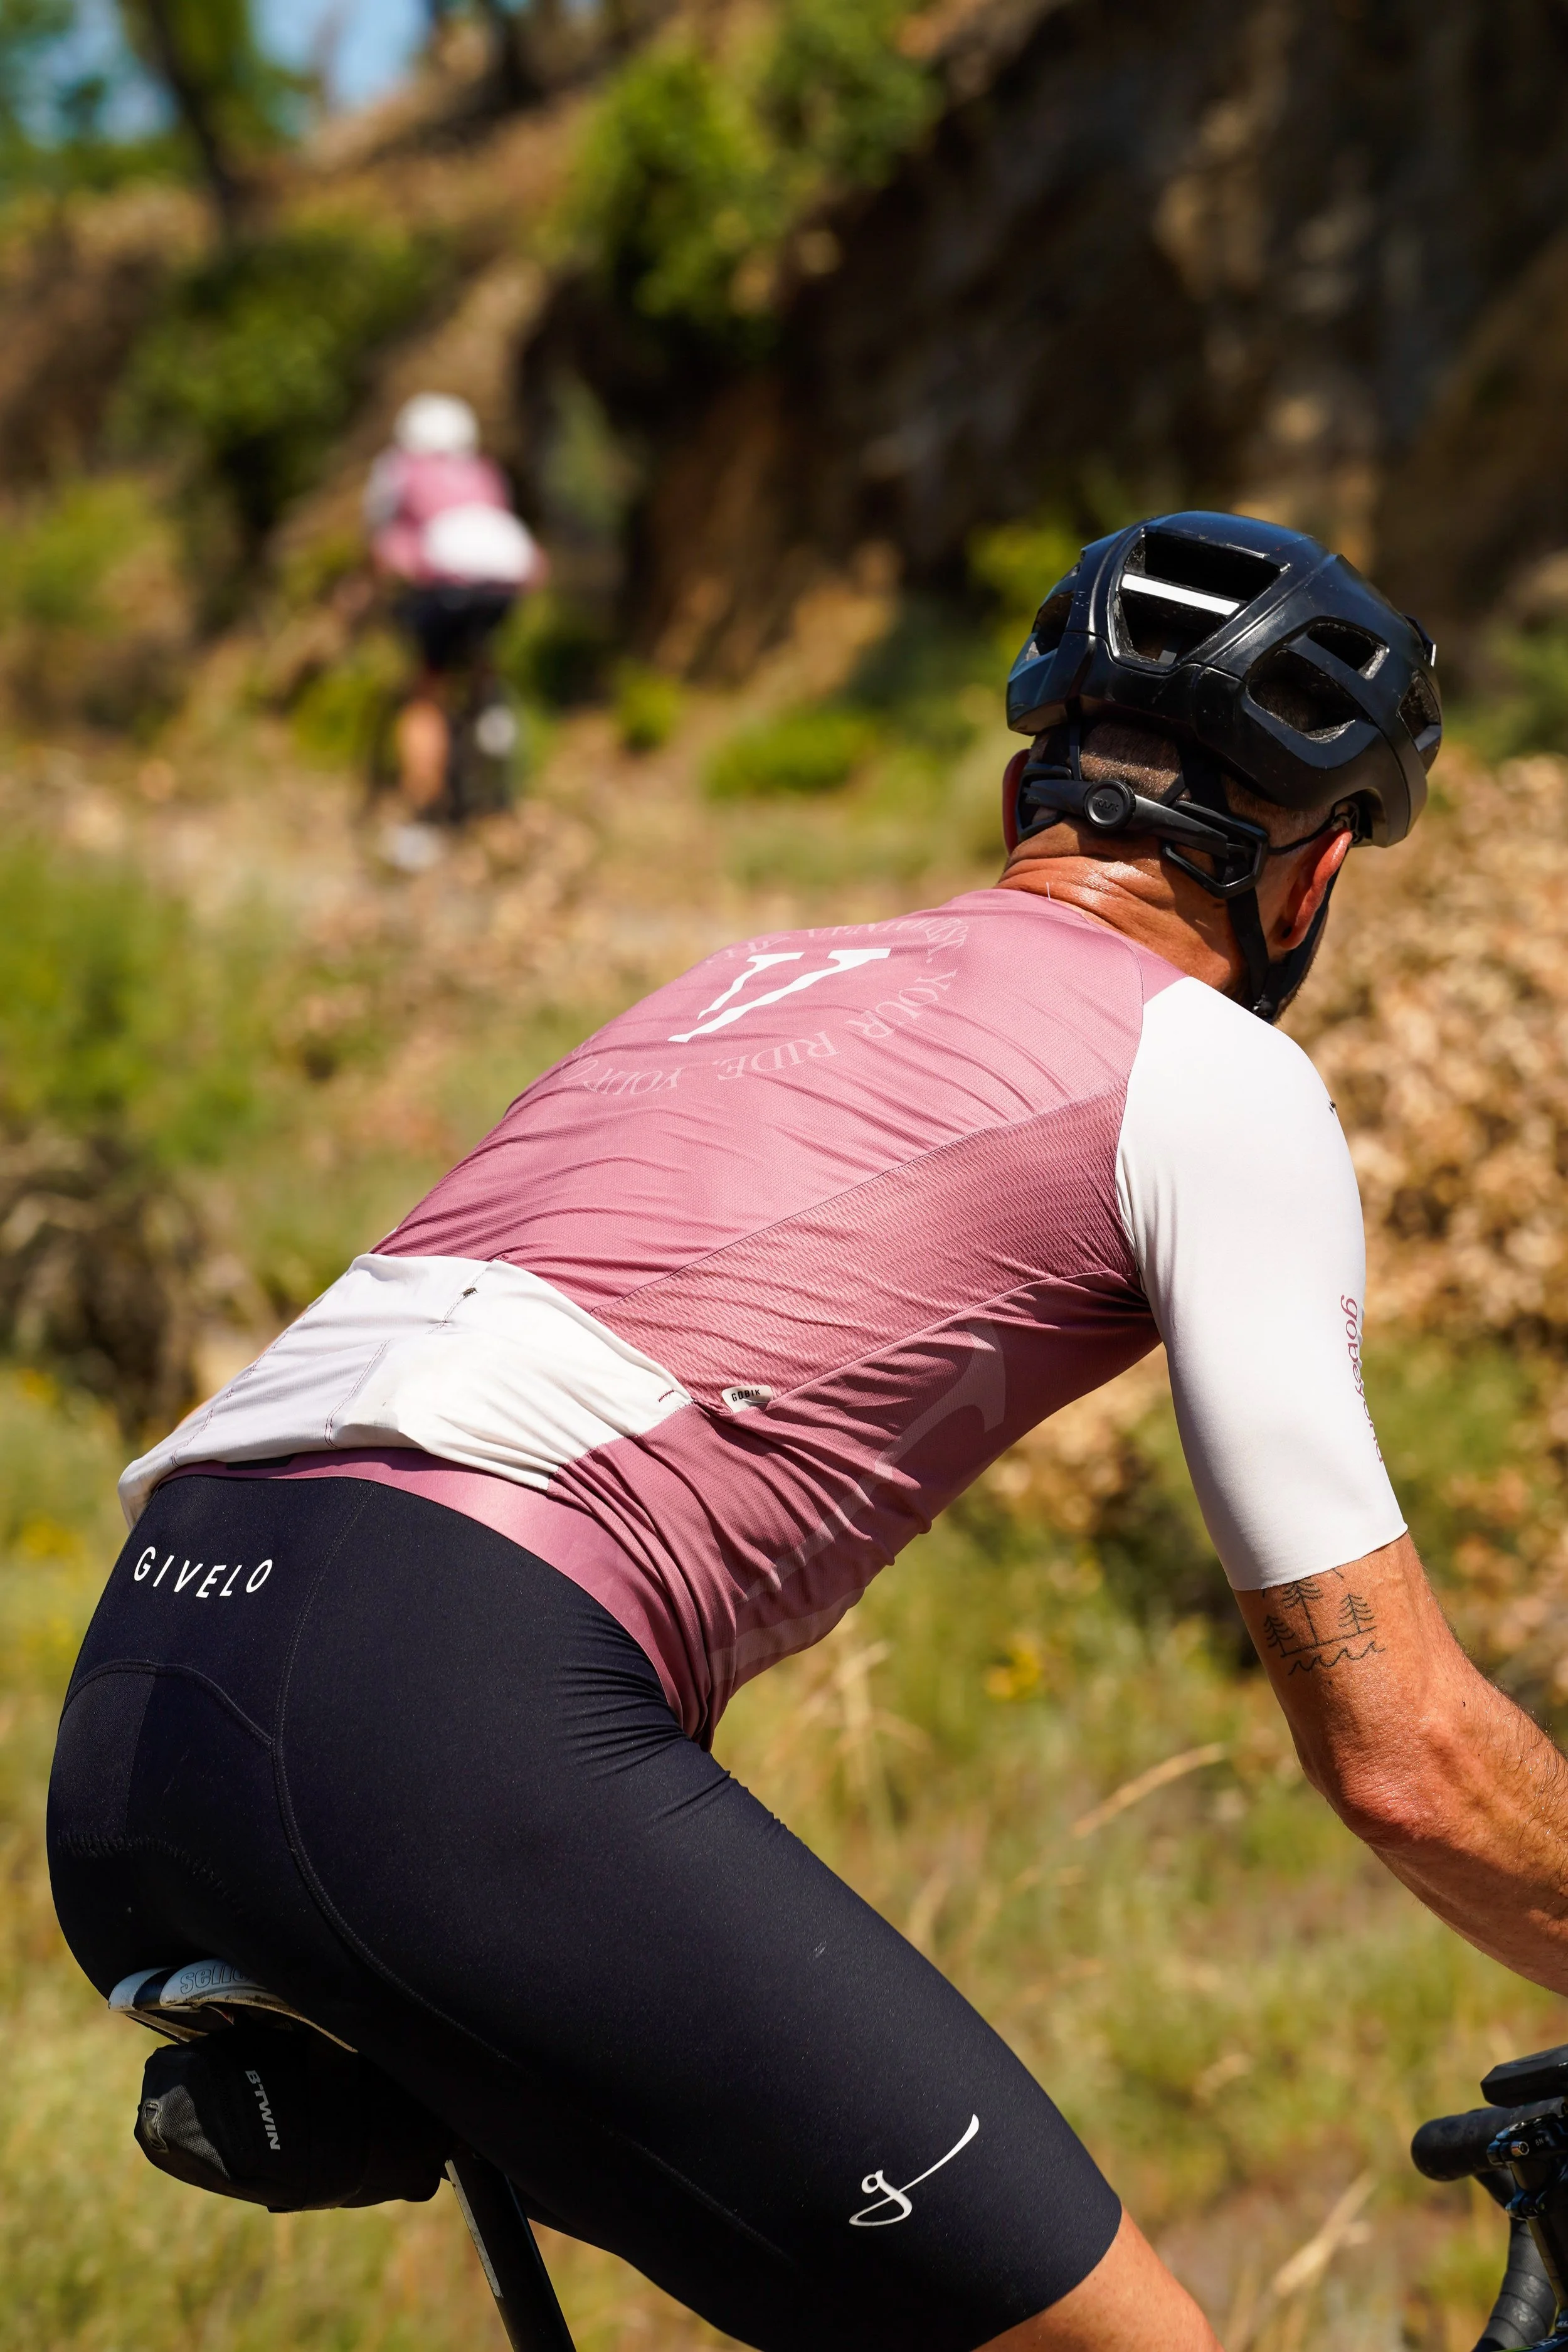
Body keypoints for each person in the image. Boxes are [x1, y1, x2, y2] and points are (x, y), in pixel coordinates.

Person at [47, 512, 1554, 2352]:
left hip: (140, 1703)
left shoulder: (745, 978)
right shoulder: (1211, 1071)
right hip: (439, 1715)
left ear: (1024, 789)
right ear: (1309, 877)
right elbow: (1402, 1746)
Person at [364, 391, 546, 819]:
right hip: (504, 585)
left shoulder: (399, 470)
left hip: (444, 588)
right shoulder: (484, 472)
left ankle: (423, 808)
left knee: (427, 688)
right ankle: (492, 710)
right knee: (482, 644)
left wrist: (377, 587)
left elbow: (382, 541)